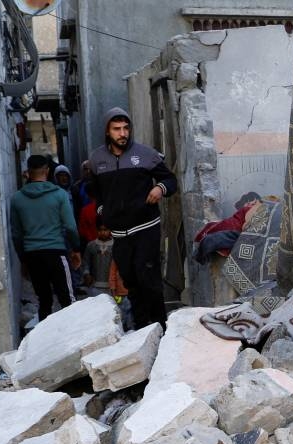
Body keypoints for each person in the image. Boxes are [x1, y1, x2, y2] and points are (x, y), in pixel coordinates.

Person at [87, 107, 177, 329]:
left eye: (126, 128)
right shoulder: (97, 159)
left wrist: (160, 189)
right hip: (119, 233)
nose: (122, 133)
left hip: (146, 227)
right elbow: (95, 191)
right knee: (130, 280)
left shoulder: (146, 154)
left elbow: (170, 180)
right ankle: (142, 327)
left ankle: (160, 326)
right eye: (117, 129)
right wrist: (102, 211)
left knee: (148, 277)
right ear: (108, 132)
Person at [10, 154, 80, 320]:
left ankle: (45, 343)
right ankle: (73, 337)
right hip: (56, 252)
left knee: (44, 300)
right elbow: (70, 226)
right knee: (67, 299)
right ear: (47, 171)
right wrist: (76, 249)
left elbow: (16, 234)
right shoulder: (59, 194)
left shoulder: (17, 199)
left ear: (28, 172)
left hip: (32, 255)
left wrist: (23, 259)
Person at [82, 222, 114, 296]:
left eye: (105, 230)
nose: (102, 232)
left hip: (111, 286)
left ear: (110, 230)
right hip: (94, 285)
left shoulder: (115, 246)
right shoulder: (91, 245)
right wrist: (86, 273)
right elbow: (86, 262)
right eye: (100, 230)